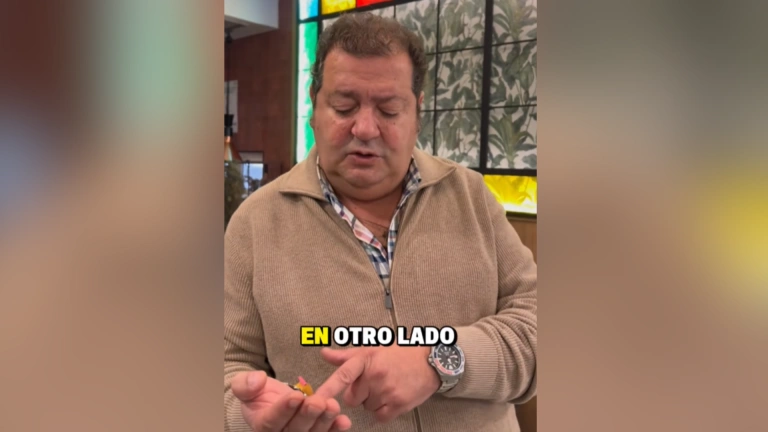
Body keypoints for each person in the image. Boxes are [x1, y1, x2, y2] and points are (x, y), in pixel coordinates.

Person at [224, 12, 537, 432]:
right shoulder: (255, 223)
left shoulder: (471, 197)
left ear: (417, 113)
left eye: (389, 110)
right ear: (314, 104)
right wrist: (245, 417)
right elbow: (225, 365)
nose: (365, 128)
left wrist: (439, 362)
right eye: (344, 107)